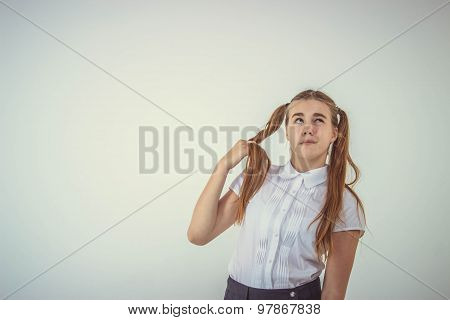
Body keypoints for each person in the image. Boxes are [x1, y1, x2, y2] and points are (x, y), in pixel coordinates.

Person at [187, 89, 367, 300]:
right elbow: (198, 235)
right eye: (298, 120)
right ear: (287, 132)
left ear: (334, 134)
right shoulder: (256, 178)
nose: (308, 128)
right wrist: (223, 166)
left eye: (318, 120)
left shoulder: (344, 201)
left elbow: (333, 294)